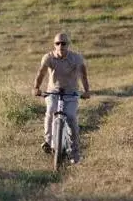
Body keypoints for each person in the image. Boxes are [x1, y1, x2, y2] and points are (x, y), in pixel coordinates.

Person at [32, 32, 91, 164]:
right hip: (53, 92)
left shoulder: (76, 58)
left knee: (71, 117)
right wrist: (36, 87)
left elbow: (83, 75)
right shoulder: (48, 57)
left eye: (63, 43)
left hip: (71, 94)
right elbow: (41, 73)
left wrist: (87, 91)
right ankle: (48, 142)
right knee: (51, 111)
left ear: (68, 45)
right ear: (54, 45)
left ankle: (75, 153)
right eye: (57, 43)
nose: (60, 46)